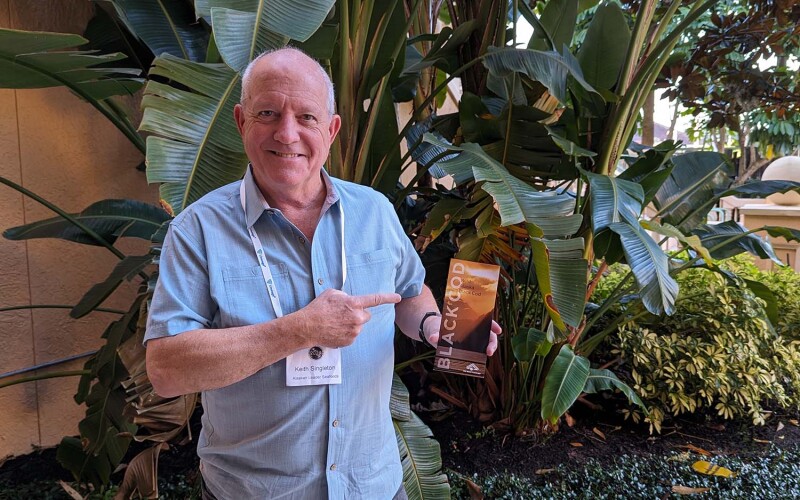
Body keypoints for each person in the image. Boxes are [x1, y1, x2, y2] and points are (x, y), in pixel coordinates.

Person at [144, 47, 502, 500]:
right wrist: (300, 330)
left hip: (373, 485)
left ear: (331, 130)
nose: (287, 132)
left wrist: (435, 326)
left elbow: (409, 292)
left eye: (307, 117)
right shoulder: (196, 230)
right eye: (268, 112)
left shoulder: (374, 211)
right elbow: (166, 370)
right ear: (241, 122)